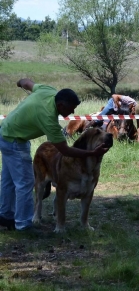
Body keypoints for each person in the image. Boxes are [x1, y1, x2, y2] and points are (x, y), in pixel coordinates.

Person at [0, 78, 110, 231]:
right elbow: (65, 150)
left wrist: (19, 82)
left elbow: (26, 83)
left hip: (5, 133)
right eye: (70, 109)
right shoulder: (49, 119)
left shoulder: (48, 91)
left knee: (8, 181)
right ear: (60, 105)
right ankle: (23, 224)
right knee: (25, 183)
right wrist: (91, 152)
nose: (72, 112)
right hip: (15, 141)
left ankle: (5, 215)